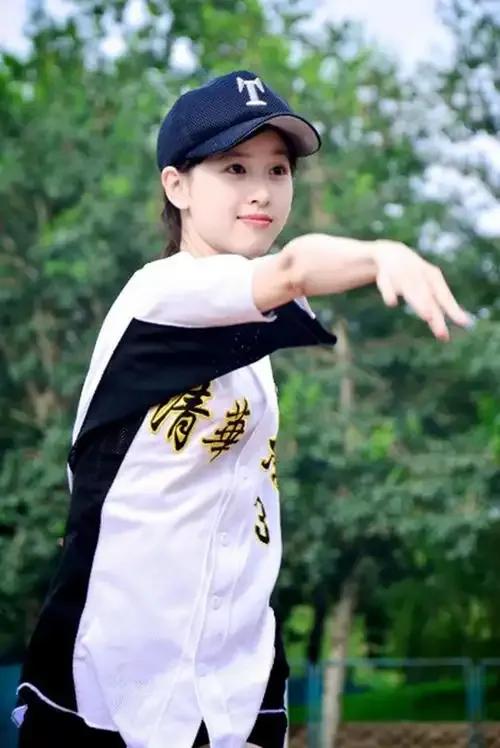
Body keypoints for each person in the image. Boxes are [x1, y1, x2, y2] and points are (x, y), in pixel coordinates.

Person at [12, 70, 471, 748]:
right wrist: (381, 255)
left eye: (277, 170)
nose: (262, 190)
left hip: (234, 687)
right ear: (177, 186)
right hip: (114, 685)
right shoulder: (159, 296)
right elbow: (293, 269)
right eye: (234, 167)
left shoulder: (249, 342)